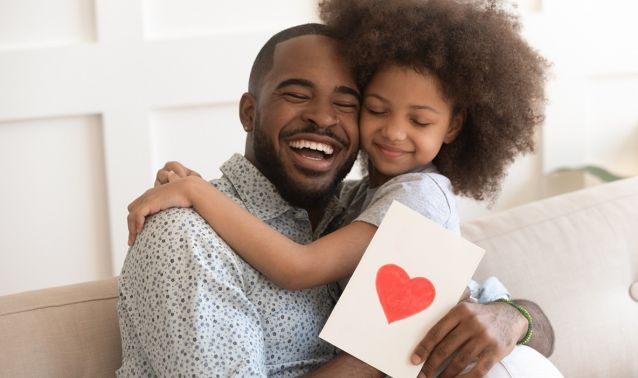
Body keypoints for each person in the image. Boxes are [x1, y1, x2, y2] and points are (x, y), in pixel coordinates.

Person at [119, 6, 557, 378]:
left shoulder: (367, 205)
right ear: (250, 112)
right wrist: (199, 194)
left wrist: (510, 319)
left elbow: (525, 323)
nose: (324, 119)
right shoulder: (186, 238)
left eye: (347, 103)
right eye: (296, 94)